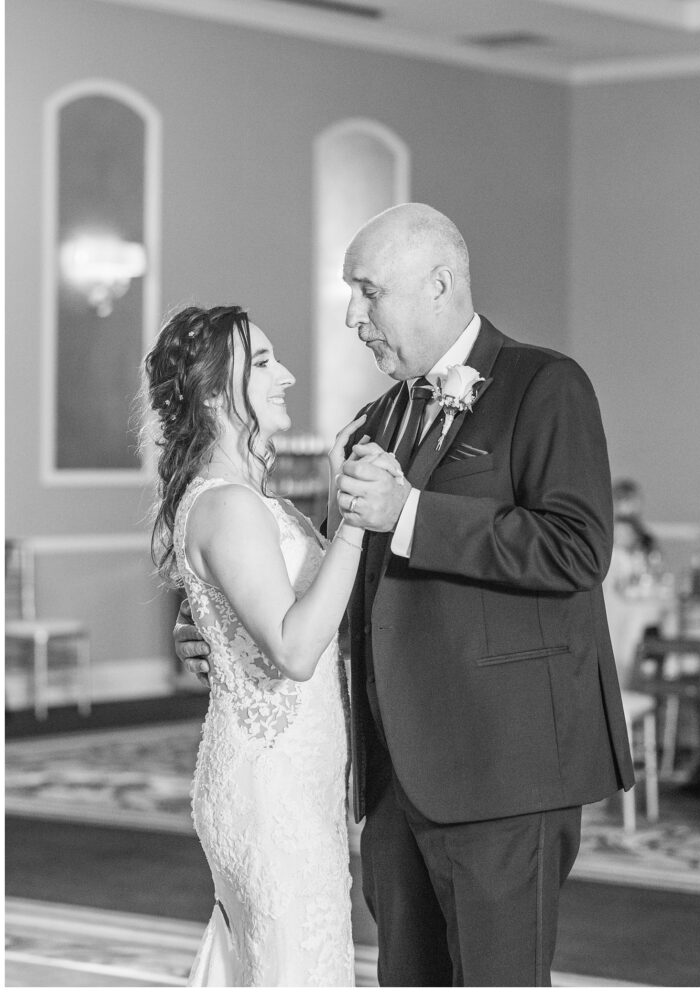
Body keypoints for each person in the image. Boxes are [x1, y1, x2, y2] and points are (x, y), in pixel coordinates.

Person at [175, 206, 635, 987]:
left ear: (439, 284)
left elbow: (576, 547)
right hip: (392, 779)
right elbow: (344, 589)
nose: (353, 317)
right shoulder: (372, 422)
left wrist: (412, 514)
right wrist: (231, 632)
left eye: (367, 292)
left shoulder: (543, 385)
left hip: (504, 770)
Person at [144, 303, 400, 986]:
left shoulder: (251, 500)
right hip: (271, 783)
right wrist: (351, 522)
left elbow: (290, 609)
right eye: (261, 363)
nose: (284, 374)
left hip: (294, 775)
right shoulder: (229, 503)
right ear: (209, 392)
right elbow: (293, 647)